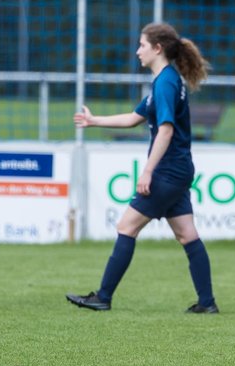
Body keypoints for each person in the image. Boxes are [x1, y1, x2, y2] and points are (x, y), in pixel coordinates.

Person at [66, 22, 218, 314]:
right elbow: (135, 118)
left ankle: (103, 297)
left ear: (157, 49)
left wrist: (147, 171)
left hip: (168, 171)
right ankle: (207, 302)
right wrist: (94, 121)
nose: (138, 51)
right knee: (187, 234)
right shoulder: (168, 80)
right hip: (179, 169)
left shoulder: (165, 83)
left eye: (142, 45)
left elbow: (165, 131)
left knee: (126, 226)